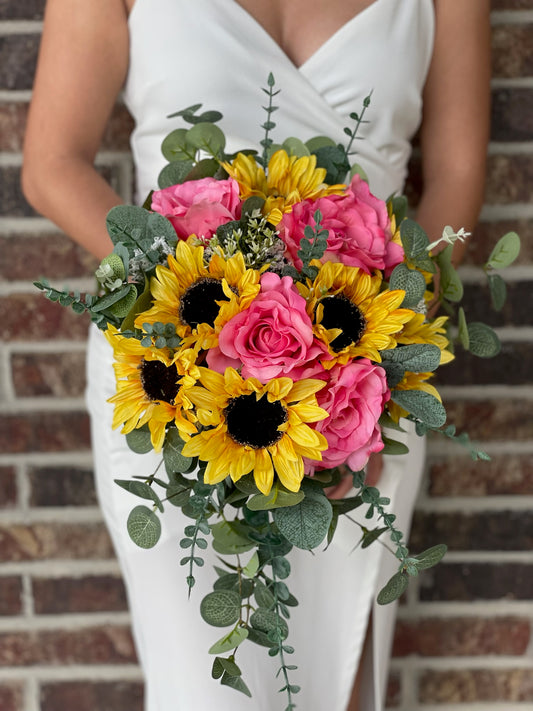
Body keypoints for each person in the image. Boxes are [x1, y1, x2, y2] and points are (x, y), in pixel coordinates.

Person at [22, 1, 491, 709]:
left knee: (335, 674)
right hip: (168, 380)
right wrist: (196, 309)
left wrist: (365, 359)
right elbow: (52, 165)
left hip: (364, 386)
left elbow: (455, 178)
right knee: (201, 686)